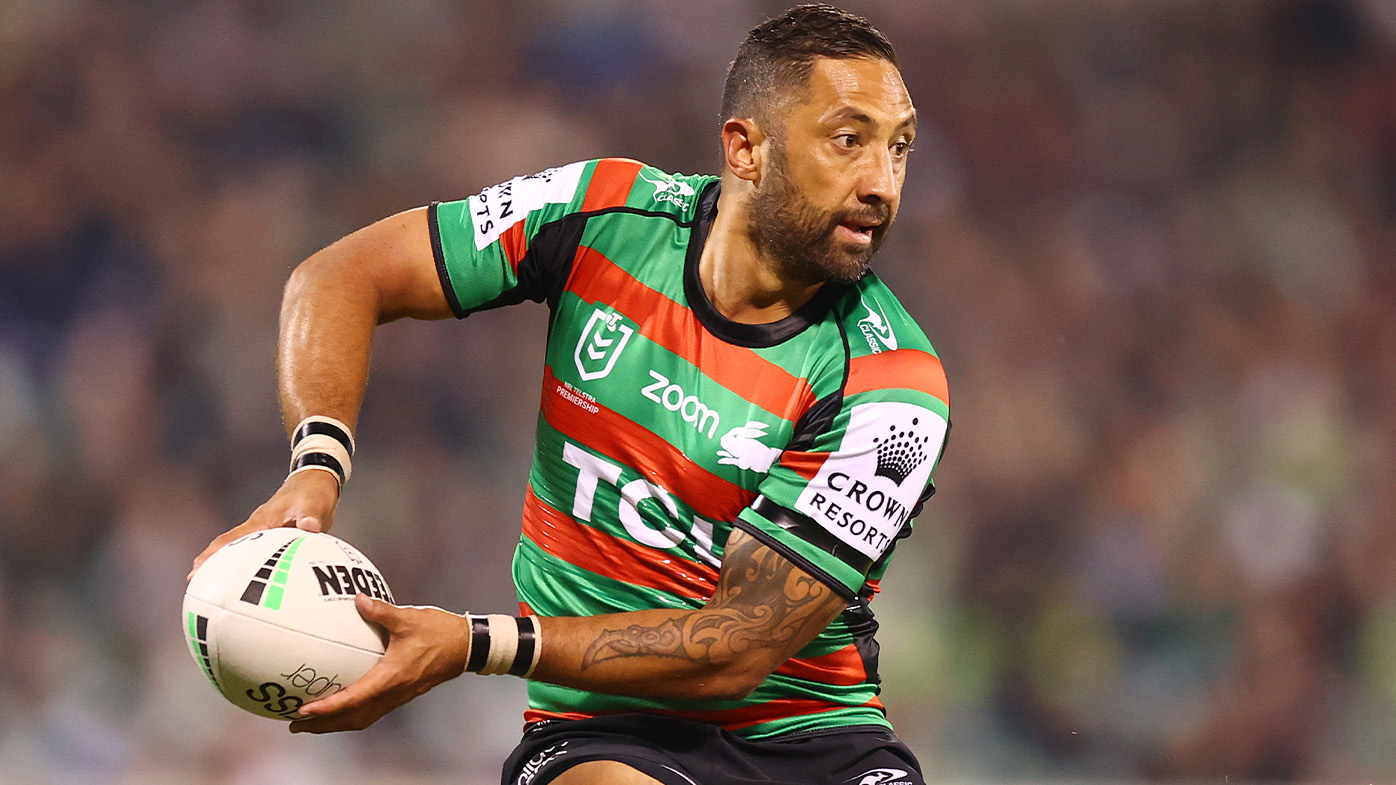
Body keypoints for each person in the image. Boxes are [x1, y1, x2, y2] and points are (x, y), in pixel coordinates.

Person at [191, 4, 949, 784]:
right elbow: (340, 277)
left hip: (819, 739)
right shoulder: (603, 214)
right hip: (606, 730)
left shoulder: (894, 387)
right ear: (744, 148)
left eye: (899, 148)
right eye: (848, 140)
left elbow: (737, 649)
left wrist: (475, 643)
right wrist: (317, 465)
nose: (882, 184)